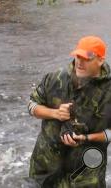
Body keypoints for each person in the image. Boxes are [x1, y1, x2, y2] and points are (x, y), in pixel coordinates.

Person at [28, 36, 111, 187]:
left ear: (100, 60)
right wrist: (54, 113)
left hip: (86, 170)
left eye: (86, 58)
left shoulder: (109, 91)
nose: (80, 62)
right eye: (78, 56)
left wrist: (86, 137)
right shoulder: (54, 78)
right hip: (46, 164)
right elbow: (32, 106)